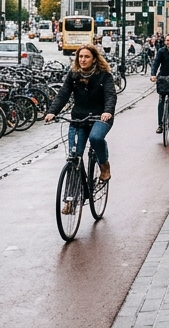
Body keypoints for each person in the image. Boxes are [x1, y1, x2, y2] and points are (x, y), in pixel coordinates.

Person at [45, 44, 117, 212]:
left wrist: (107, 111)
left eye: (87, 57)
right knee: (74, 157)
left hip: (100, 117)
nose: (83, 60)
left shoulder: (104, 76)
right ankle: (70, 199)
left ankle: (104, 165)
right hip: (78, 119)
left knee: (96, 138)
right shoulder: (74, 75)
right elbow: (63, 94)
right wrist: (52, 112)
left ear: (94, 59)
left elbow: (110, 95)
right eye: (80, 57)